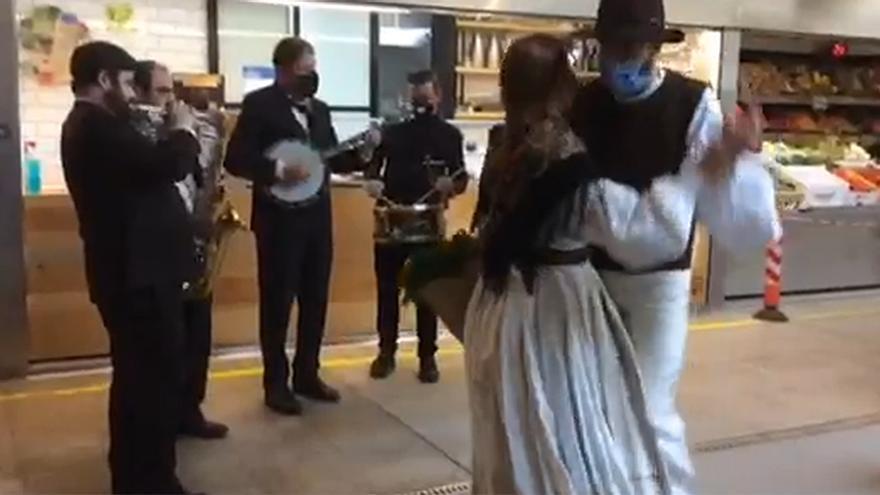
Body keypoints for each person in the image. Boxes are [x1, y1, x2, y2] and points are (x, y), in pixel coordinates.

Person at [569, 0, 780, 493]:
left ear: (653, 48)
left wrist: (733, 153)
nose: (620, 57)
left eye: (631, 45)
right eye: (612, 46)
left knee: (649, 407)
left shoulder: (691, 102)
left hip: (659, 284)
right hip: (591, 277)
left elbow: (708, 182)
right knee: (594, 398)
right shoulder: (586, 104)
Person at [61, 41, 200, 494]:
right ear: (104, 81)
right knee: (151, 388)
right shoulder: (97, 127)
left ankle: (137, 477)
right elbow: (166, 165)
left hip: (134, 273)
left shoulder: (98, 124)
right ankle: (151, 483)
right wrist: (183, 130)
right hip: (137, 278)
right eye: (125, 82)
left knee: (139, 384)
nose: (133, 93)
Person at [224, 37, 368, 415]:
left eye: (314, 70)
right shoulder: (259, 106)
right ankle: (275, 383)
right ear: (283, 71)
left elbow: (331, 159)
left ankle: (308, 373)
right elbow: (235, 159)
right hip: (278, 221)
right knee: (277, 302)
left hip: (317, 217)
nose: (312, 78)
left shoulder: (320, 110)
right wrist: (277, 170)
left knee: (315, 299)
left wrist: (362, 155)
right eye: (305, 71)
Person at [132, 60, 229, 439]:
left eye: (171, 91)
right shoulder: (141, 135)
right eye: (160, 92)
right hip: (162, 252)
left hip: (194, 243)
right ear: (138, 94)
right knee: (167, 346)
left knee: (197, 337)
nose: (170, 101)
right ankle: (164, 417)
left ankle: (190, 410)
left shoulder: (177, 132)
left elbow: (197, 175)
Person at [364, 70, 467, 383]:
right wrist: (372, 181)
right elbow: (371, 168)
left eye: (425, 96)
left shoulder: (450, 136)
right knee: (386, 291)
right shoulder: (391, 133)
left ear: (437, 96)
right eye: (415, 97)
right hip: (392, 218)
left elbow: (461, 177)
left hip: (428, 221)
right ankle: (386, 352)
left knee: (428, 292)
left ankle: (427, 357)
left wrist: (453, 184)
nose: (420, 103)